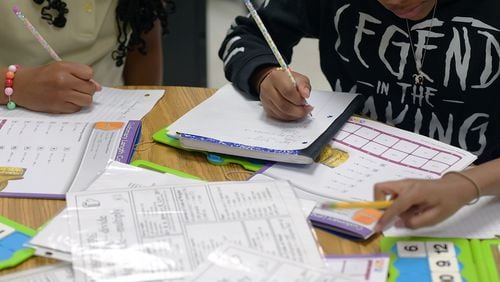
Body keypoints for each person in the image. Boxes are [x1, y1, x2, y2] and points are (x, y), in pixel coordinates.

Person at [219, 0, 500, 229]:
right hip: (346, 178)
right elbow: (246, 35)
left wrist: (465, 185)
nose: (395, 2)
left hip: (480, 196)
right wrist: (264, 74)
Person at [1, 0, 175, 113]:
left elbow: (144, 44)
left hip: (110, 115)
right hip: (14, 117)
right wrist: (15, 85)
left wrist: (143, 111)